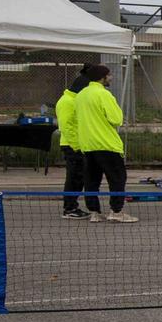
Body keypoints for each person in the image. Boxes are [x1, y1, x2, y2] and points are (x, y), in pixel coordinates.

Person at [75, 64, 135, 223]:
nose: (111, 78)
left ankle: (94, 212)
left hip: (88, 144)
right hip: (106, 144)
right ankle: (116, 211)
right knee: (117, 178)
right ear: (102, 77)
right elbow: (116, 119)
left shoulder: (81, 95)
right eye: (109, 75)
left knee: (91, 180)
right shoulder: (104, 94)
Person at [56, 64, 99, 220]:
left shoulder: (76, 100)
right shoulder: (67, 102)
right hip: (72, 145)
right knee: (74, 177)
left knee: (79, 177)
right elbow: (66, 126)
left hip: (80, 145)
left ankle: (72, 205)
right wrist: (76, 146)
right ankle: (69, 208)